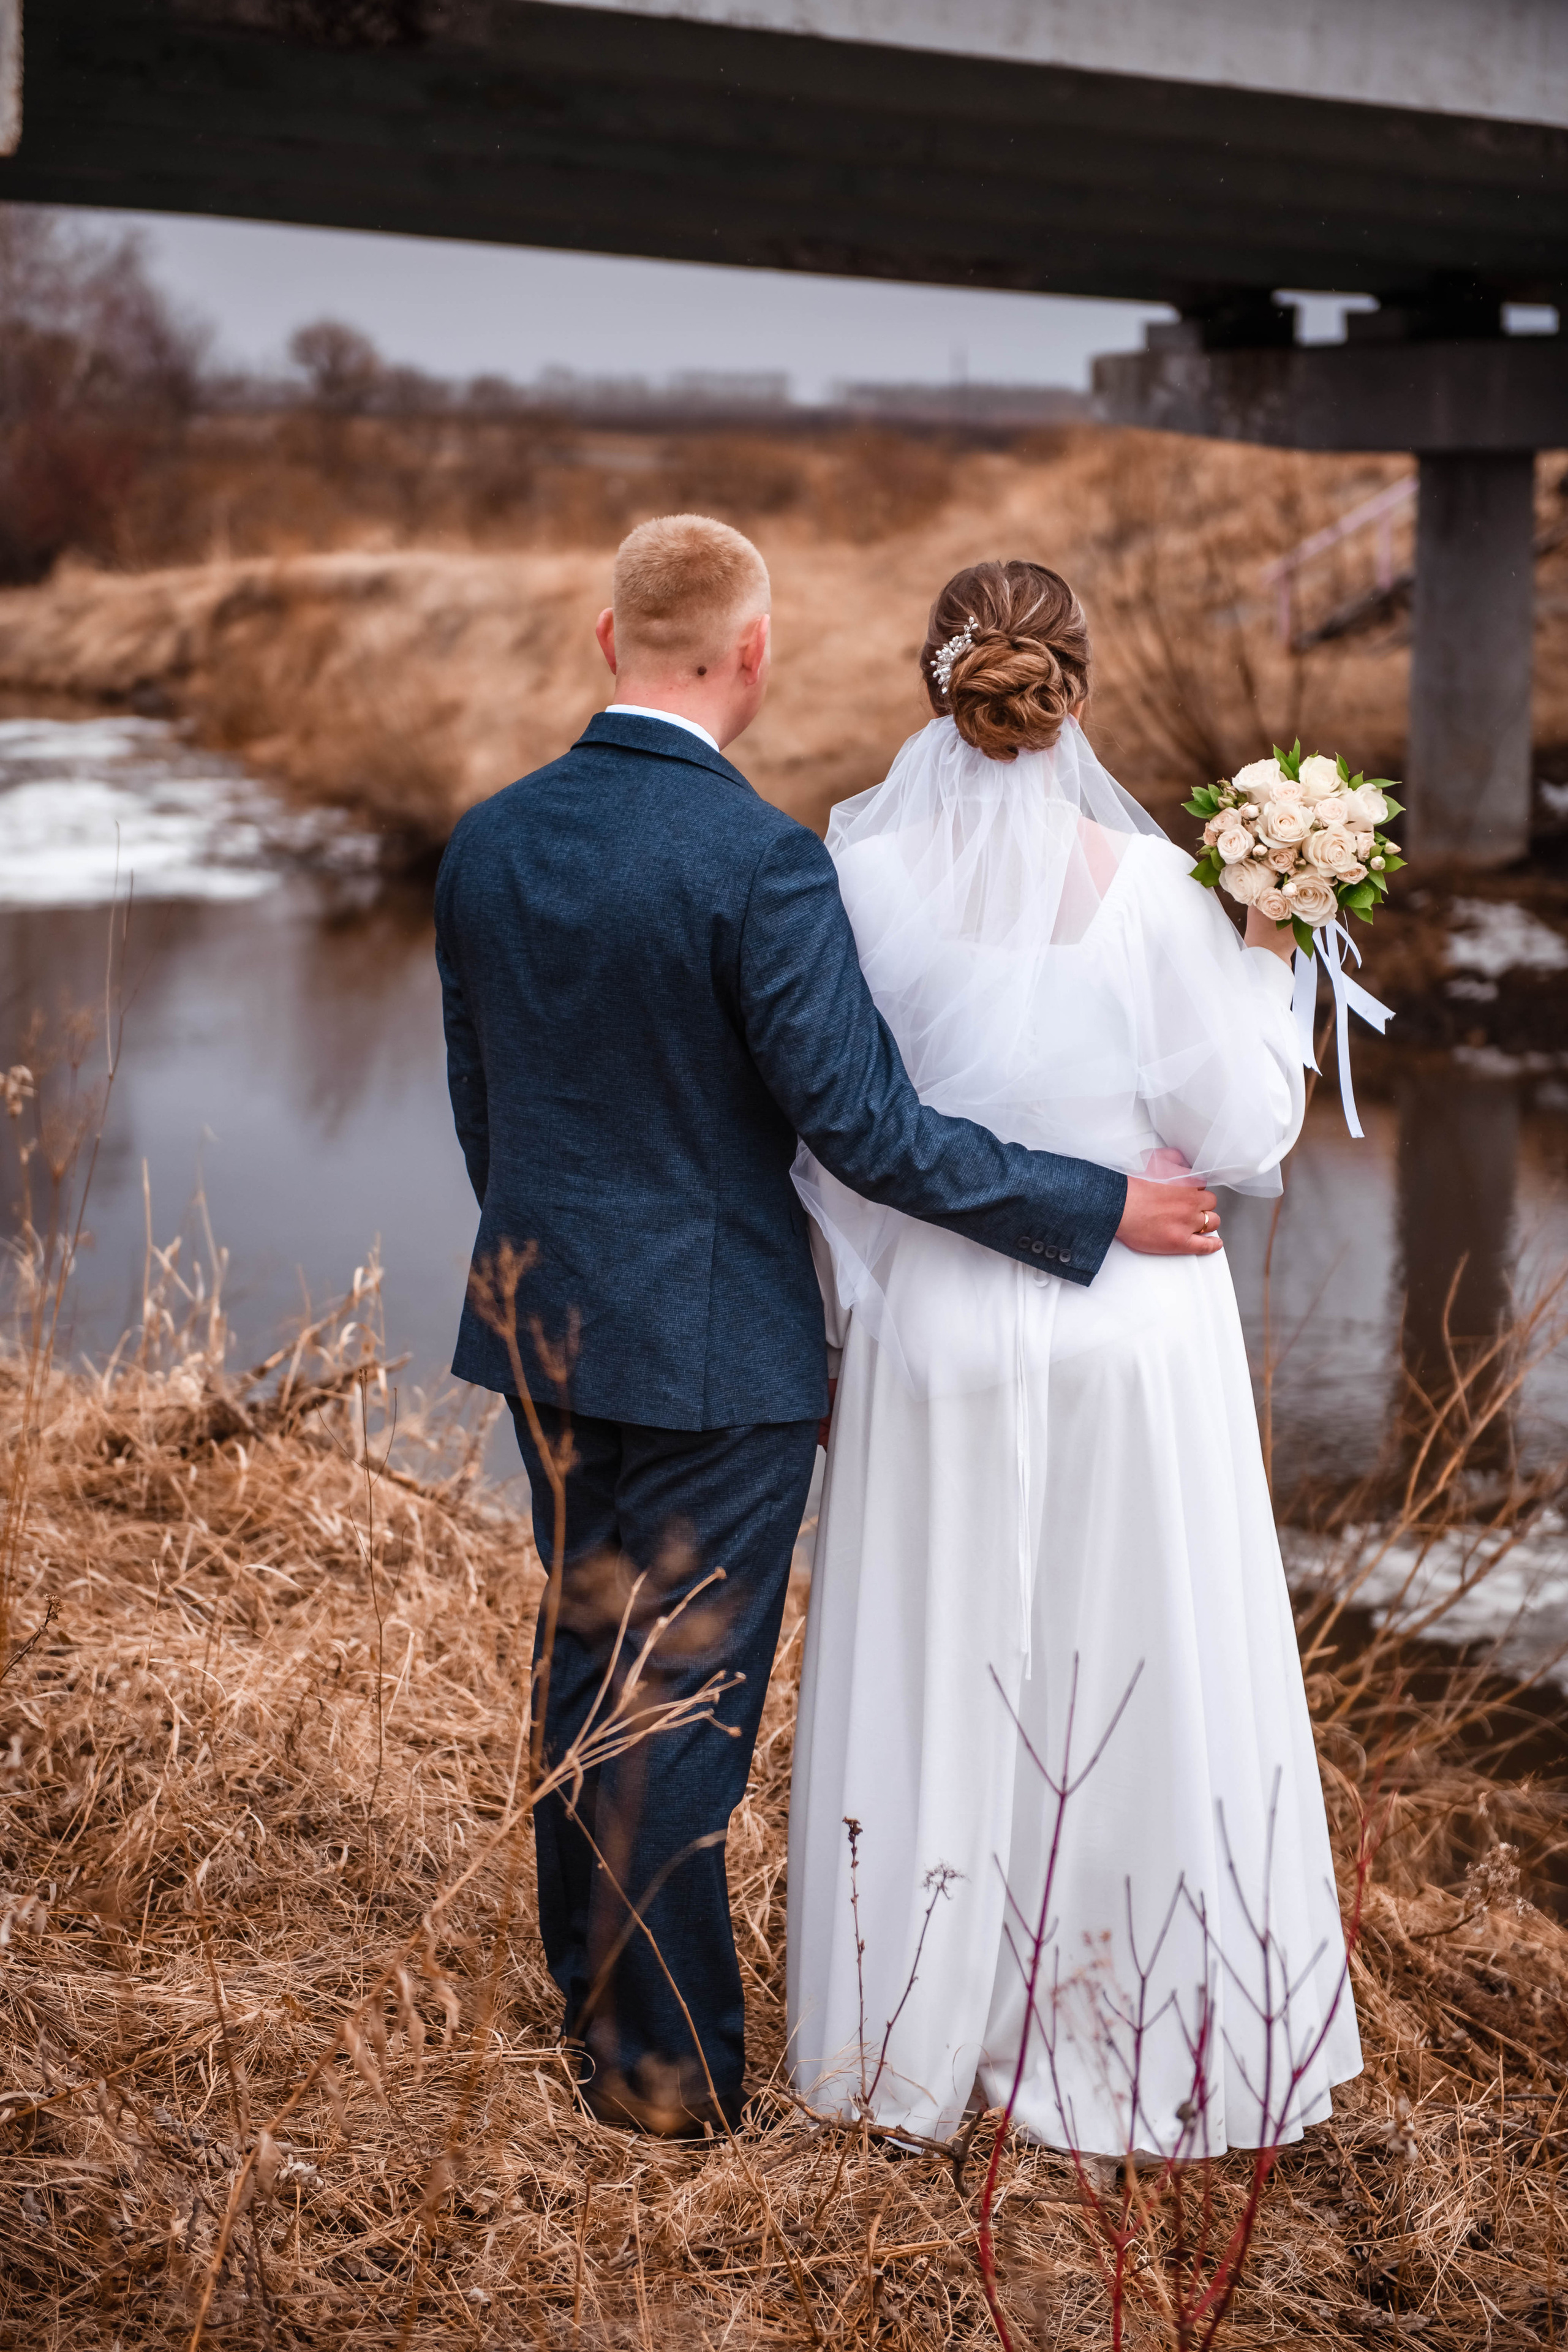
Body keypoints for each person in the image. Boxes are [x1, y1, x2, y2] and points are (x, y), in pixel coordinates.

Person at [434, 517, 1219, 2137]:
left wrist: (542, 1270)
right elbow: (868, 1134)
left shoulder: (488, 840)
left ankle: (596, 2014)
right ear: (755, 652)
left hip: (547, 1323)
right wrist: (1093, 1207)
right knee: (688, 1716)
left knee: (586, 1663)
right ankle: (674, 2089)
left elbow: (482, 1111)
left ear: (606, 641)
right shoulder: (761, 864)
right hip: (718, 1353)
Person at [788, 560, 1363, 2157]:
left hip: (941, 1329)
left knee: (944, 1663)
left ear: (939, 688)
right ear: (1076, 695)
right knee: (1136, 1666)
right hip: (1136, 1318)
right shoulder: (1162, 889)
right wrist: (1271, 939)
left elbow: (831, 1139)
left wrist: (861, 1301)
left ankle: (910, 2044)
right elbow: (1246, 1135)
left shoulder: (851, 884)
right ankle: (1138, 2039)